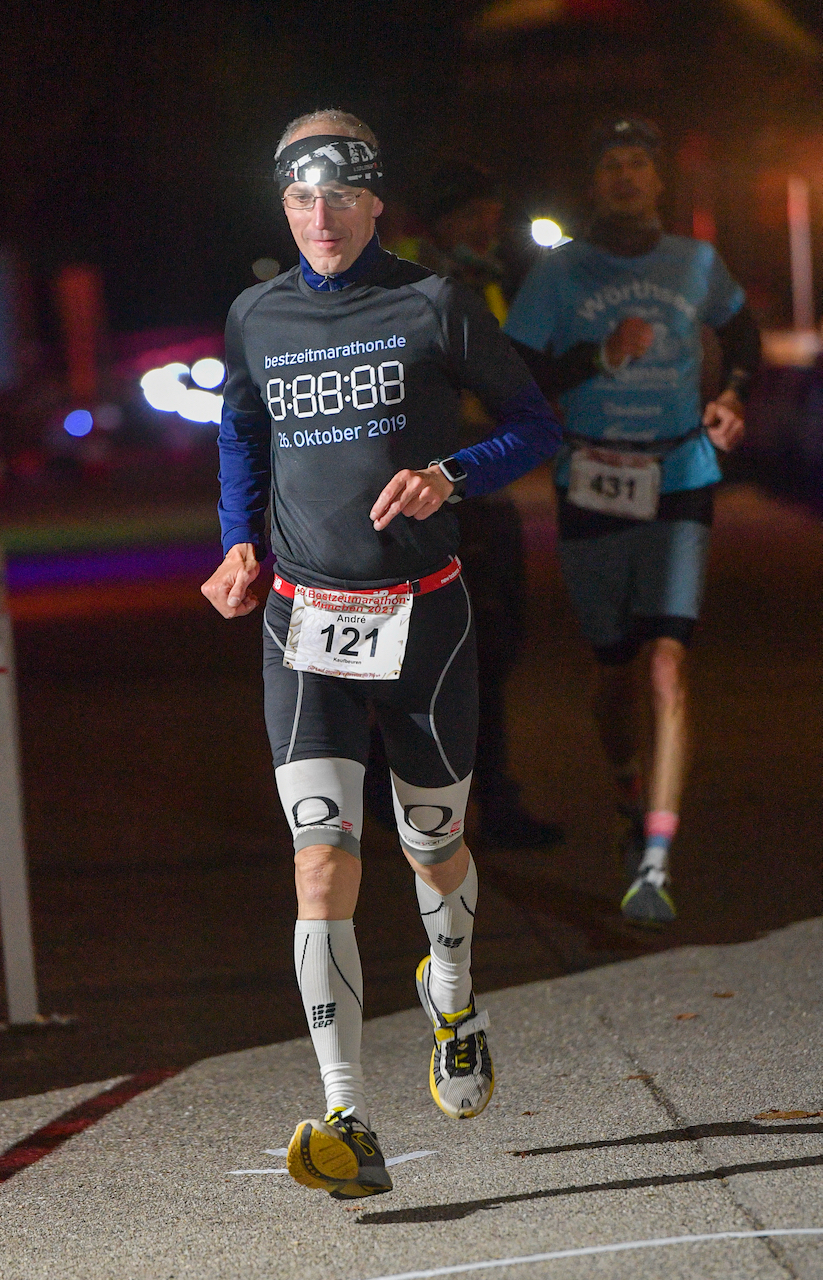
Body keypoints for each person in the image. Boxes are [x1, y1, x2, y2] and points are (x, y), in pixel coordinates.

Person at [201, 109, 561, 1200]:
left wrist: (452, 473)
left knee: (429, 844)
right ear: (282, 205)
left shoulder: (432, 303)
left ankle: (450, 992)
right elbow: (243, 430)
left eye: (338, 198)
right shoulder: (254, 315)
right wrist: (236, 540)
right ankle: (346, 1112)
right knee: (321, 858)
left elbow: (536, 425)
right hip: (302, 623)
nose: (319, 219)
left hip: (425, 619)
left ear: (373, 201)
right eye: (299, 200)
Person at [504, 117, 760, 926]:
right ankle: (626, 791)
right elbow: (520, 368)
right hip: (595, 478)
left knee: (665, 665)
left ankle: (654, 859)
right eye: (609, 164)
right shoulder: (561, 272)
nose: (623, 176)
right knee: (614, 670)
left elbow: (740, 328)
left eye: (637, 165)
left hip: (681, 469)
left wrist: (731, 395)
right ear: (594, 185)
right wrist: (597, 360)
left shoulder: (695, 263)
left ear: (657, 182)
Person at [370, 165, 563, 850]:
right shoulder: (417, 271)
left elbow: (513, 370)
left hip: (479, 475)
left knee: (494, 639)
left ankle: (468, 793)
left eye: (494, 211)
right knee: (433, 645)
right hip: (424, 481)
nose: (489, 225)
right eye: (475, 212)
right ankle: (409, 788)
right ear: (443, 219)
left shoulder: (487, 276)